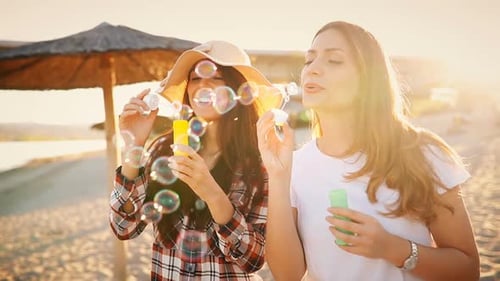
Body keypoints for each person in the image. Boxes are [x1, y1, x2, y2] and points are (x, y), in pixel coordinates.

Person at [256, 21, 480, 281]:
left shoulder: (422, 153)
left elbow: (467, 269)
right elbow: (288, 275)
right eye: (309, 60)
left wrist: (391, 248)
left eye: (334, 61)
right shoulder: (295, 166)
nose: (312, 70)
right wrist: (278, 178)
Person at [109, 40, 281, 280]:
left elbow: (253, 259)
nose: (203, 86)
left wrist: (212, 194)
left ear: (236, 90)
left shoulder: (259, 162)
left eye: (216, 77)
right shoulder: (163, 149)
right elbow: (123, 227)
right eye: (195, 78)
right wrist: (134, 146)